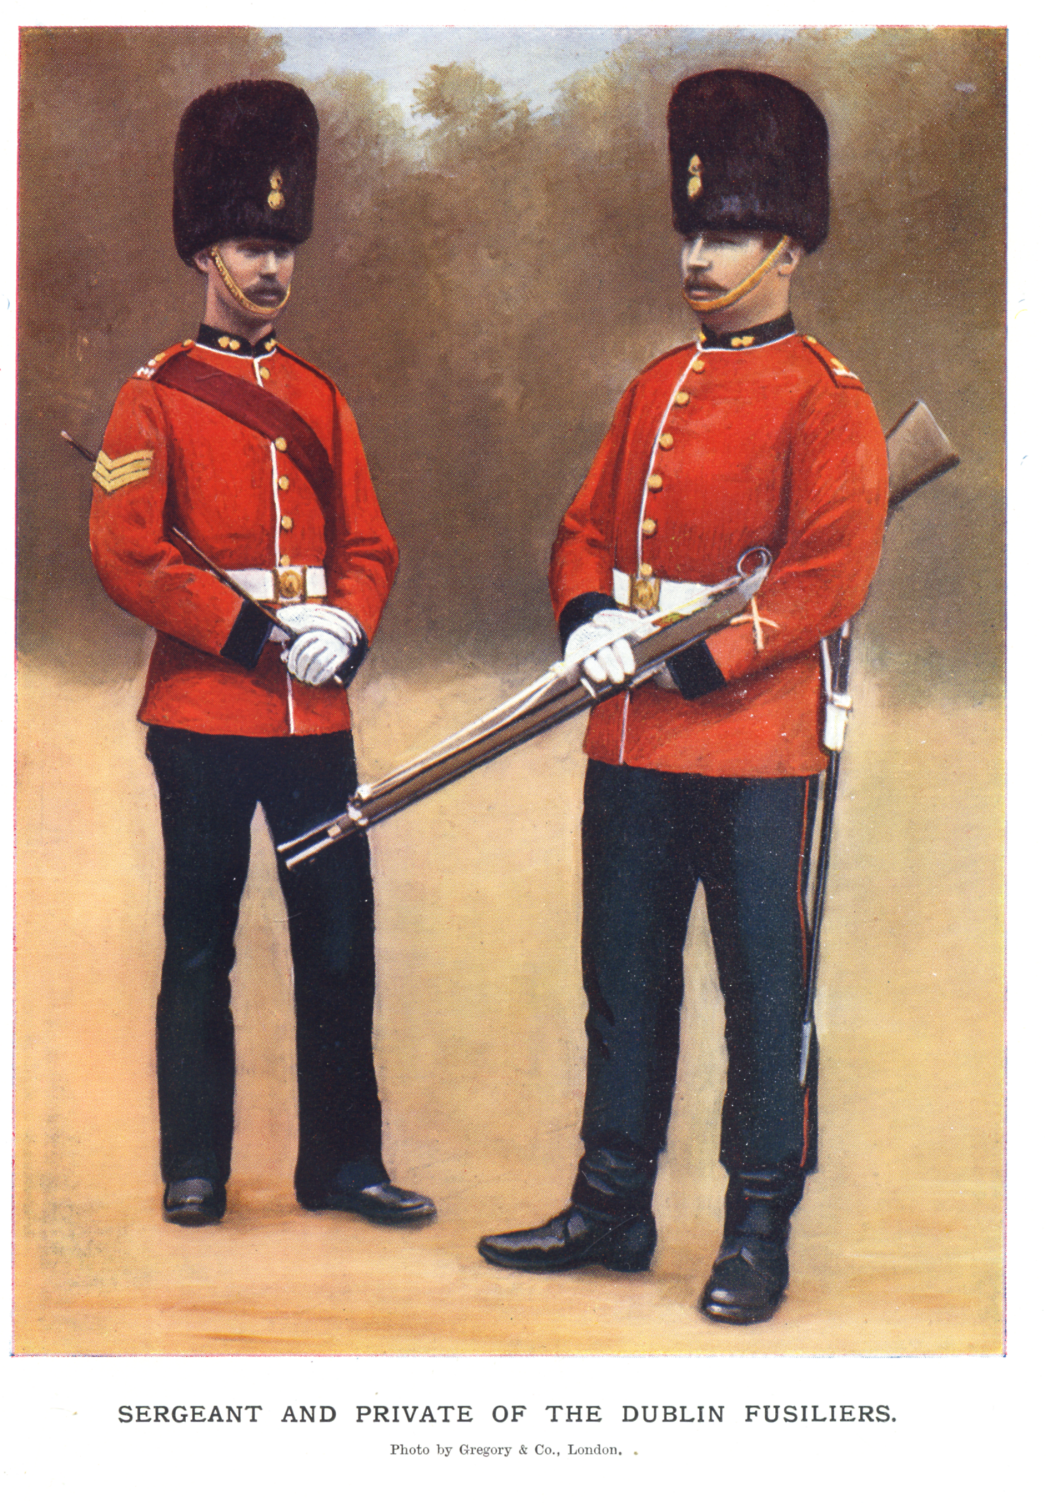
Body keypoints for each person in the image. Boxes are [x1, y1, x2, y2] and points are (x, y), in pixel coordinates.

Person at [478, 69, 889, 1323]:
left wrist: (699, 655)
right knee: (623, 980)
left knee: (763, 997)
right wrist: (590, 618)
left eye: (726, 234)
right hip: (632, 732)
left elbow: (824, 579)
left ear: (787, 246)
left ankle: (755, 1226)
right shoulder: (655, 386)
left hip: (756, 746)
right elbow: (582, 530)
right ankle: (611, 1204)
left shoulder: (828, 398)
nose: (696, 258)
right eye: (691, 231)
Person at [90, 79, 434, 1230]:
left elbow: (368, 544)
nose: (272, 268)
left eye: (283, 248)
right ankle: (195, 1165)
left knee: (337, 944)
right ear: (207, 253)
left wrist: (348, 621)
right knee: (200, 945)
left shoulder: (318, 398)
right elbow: (129, 554)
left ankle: (343, 1166)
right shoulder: (153, 397)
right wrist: (247, 629)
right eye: (251, 246)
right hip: (200, 713)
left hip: (314, 720)